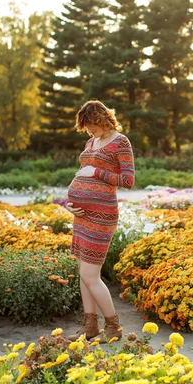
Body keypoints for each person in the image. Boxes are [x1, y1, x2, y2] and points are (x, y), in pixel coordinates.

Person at [64, 100, 135, 343]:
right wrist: (71, 203)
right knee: (83, 273)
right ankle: (90, 326)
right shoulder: (90, 142)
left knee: (91, 275)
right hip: (82, 217)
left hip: (102, 217)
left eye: (91, 125)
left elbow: (127, 180)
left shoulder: (121, 142)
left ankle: (113, 326)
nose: (88, 130)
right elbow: (80, 174)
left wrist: (97, 173)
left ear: (103, 119)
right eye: (85, 127)